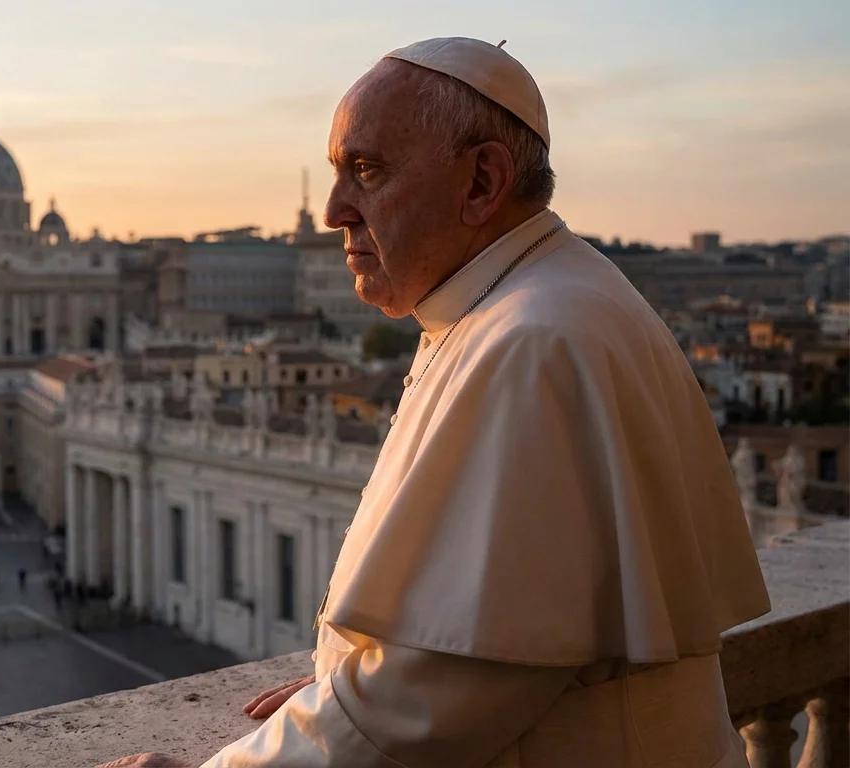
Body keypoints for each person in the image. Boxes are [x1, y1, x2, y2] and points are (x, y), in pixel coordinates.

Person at [100, 37, 768, 768]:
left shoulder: (534, 341)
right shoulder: (538, 302)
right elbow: (470, 648)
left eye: (366, 170)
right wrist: (348, 684)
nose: (331, 212)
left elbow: (439, 694)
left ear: (482, 181)